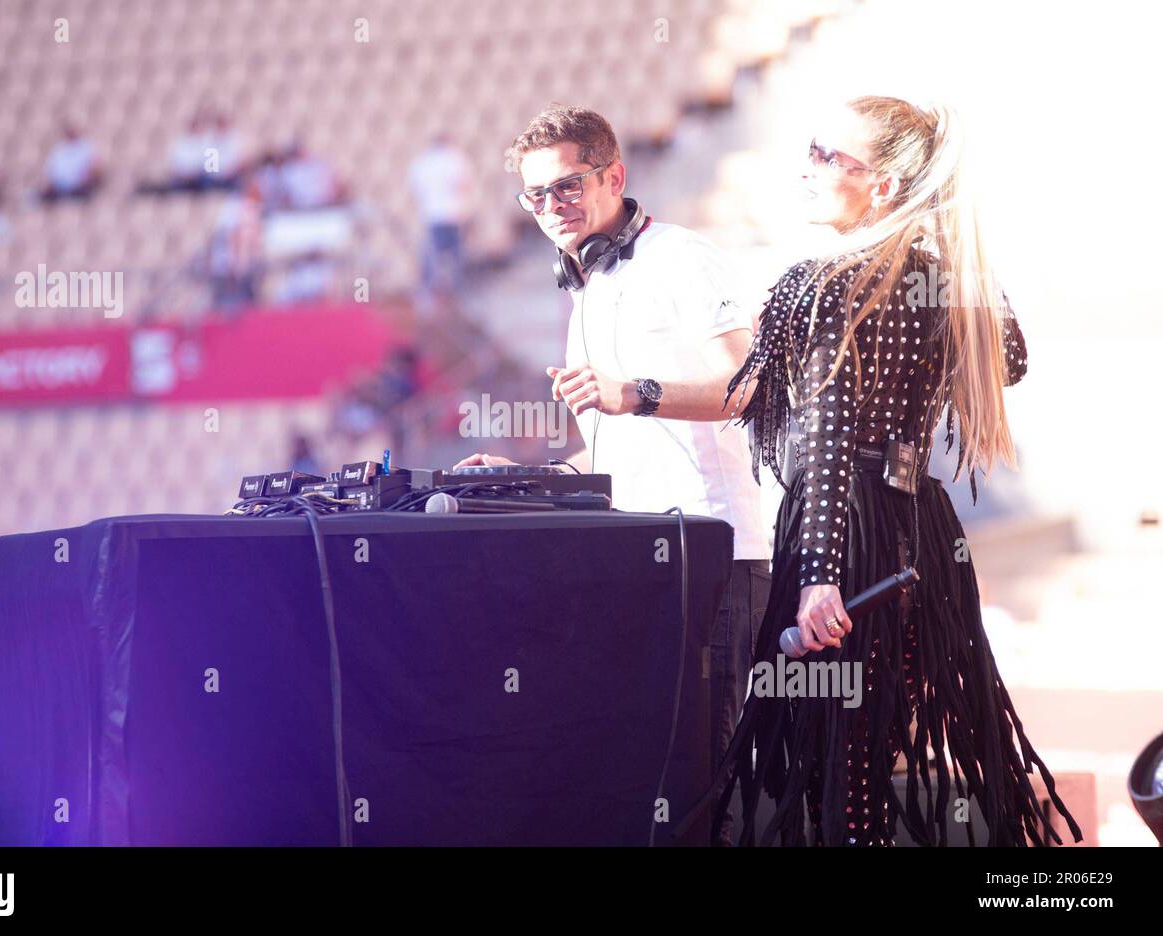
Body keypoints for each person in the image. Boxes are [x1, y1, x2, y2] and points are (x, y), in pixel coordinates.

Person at [712, 96, 1082, 846]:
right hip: (919, 530)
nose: (808, 168)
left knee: (838, 756)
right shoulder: (939, 284)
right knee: (872, 741)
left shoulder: (822, 283)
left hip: (843, 531)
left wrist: (817, 573)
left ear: (882, 186)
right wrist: (951, 247)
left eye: (828, 157)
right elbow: (1010, 355)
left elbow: (827, 434)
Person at [453, 106, 772, 836]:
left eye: (566, 187)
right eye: (534, 195)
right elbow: (611, 452)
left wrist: (635, 392)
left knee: (714, 788)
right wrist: (526, 478)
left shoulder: (682, 258)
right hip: (641, 563)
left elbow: (747, 387)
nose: (549, 208)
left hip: (715, 559)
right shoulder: (585, 288)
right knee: (651, 781)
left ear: (614, 176)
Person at [408, 134, 472, 301]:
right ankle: (458, 296)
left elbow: (415, 190)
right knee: (456, 261)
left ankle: (429, 297)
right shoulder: (455, 158)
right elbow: (463, 185)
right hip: (453, 215)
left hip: (432, 216)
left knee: (432, 261)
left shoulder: (422, 162)